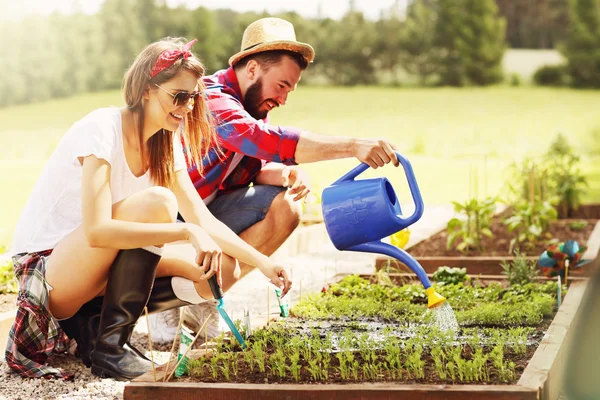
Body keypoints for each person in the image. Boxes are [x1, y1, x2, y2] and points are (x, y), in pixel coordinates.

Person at [5, 37, 291, 381]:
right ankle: (111, 350)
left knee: (220, 270)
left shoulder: (165, 142)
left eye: (193, 97)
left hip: (99, 268)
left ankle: (95, 325)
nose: (186, 107)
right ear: (145, 90)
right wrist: (185, 231)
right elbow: (97, 231)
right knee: (158, 203)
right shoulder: (101, 129)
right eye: (178, 96)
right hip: (49, 272)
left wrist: (263, 263)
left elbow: (204, 219)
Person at [149, 17, 401, 341]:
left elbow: (251, 166)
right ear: (252, 69)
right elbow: (264, 139)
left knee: (288, 207)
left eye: (289, 90)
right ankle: (163, 302)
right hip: (167, 219)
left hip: (208, 211)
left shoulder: (254, 106)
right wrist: (353, 146)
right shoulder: (211, 98)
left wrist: (287, 173)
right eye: (281, 85)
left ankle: (204, 300)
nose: (283, 99)